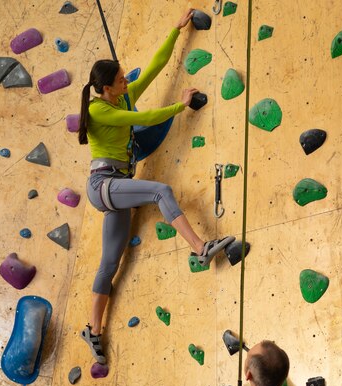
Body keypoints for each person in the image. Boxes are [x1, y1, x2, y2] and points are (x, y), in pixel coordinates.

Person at [78, 7, 234, 364]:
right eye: (120, 80)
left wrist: (175, 31)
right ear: (105, 88)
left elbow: (154, 68)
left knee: (109, 263)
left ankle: (93, 329)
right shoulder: (101, 109)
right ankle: (200, 247)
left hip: (116, 185)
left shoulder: (120, 95)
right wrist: (180, 107)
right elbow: (142, 118)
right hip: (103, 185)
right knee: (160, 190)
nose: (126, 82)